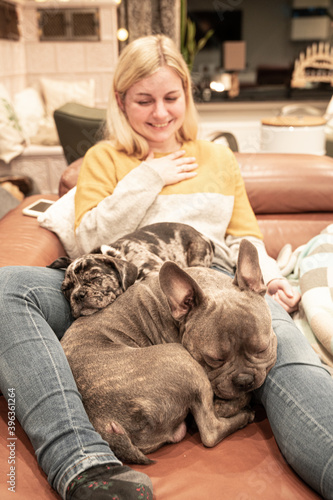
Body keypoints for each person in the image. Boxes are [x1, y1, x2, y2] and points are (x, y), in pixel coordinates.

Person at [0, 34, 332, 500]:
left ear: (187, 97)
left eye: (171, 97)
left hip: (217, 289)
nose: (160, 113)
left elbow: (244, 236)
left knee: (280, 353)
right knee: (5, 285)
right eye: (144, 100)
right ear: (120, 101)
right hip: (117, 286)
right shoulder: (103, 159)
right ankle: (80, 461)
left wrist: (271, 279)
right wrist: (148, 176)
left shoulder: (216, 156)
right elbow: (88, 237)